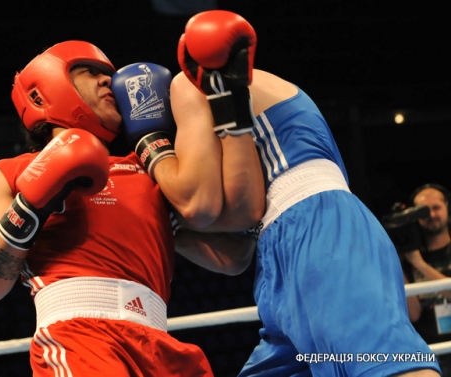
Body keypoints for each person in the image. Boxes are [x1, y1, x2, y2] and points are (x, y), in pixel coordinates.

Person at [144, 10, 440, 377]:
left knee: (387, 366)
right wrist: (164, 222)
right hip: (282, 253)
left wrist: (149, 153)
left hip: (317, 228)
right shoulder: (225, 121)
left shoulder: (191, 85)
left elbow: (207, 207)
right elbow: (235, 256)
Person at [0, 40, 249, 376]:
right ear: (41, 95)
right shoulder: (14, 171)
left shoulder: (150, 171)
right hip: (80, 340)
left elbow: (234, 256)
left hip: (161, 346)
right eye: (90, 72)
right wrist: (31, 206)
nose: (109, 80)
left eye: (108, 74)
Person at [403, 183, 451, 375]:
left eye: (436, 207)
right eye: (423, 211)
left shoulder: (416, 260)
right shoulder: (408, 258)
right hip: (428, 350)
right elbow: (413, 314)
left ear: (448, 207)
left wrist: (420, 265)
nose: (430, 215)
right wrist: (400, 264)